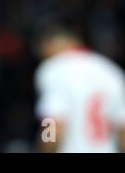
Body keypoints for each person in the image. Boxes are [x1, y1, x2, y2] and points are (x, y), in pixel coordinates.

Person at [34, 23, 125, 153]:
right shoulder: (111, 70)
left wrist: (45, 149)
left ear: (50, 44)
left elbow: (53, 122)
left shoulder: (54, 68)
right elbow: (123, 130)